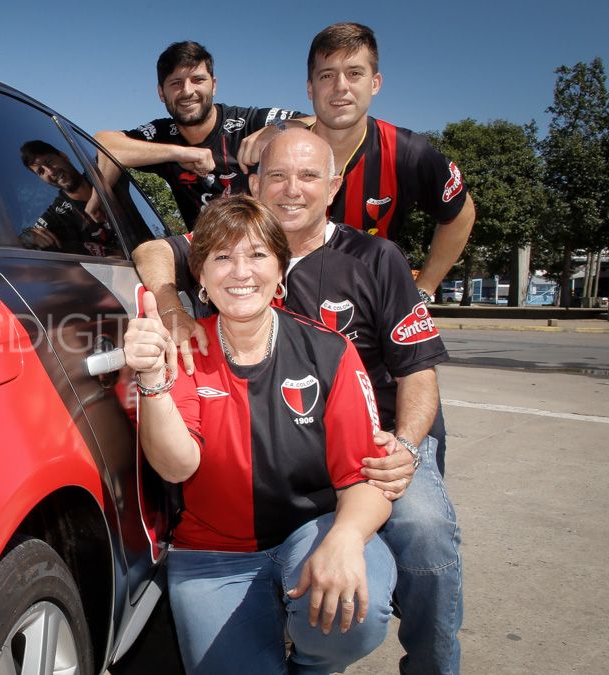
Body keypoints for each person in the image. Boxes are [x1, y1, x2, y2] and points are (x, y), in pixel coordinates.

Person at [134, 128, 463, 674]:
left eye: (308, 176)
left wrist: (402, 448)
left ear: (333, 186)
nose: (292, 189)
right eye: (278, 175)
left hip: (379, 437)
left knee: (424, 532)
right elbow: (151, 248)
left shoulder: (374, 259)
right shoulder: (228, 244)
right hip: (229, 524)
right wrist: (168, 307)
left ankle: (431, 665)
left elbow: (418, 370)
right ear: (255, 183)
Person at [124, 196, 395, 673]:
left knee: (356, 616)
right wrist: (152, 380)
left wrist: (345, 538)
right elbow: (175, 465)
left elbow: (366, 477)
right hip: (211, 551)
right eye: (222, 257)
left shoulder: (329, 351)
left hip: (309, 532)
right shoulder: (184, 348)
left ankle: (311, 666)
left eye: (257, 255)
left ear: (281, 272)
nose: (240, 271)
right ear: (201, 279)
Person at [306, 22, 475, 304]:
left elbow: (461, 213)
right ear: (310, 88)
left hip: (371, 315)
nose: (340, 87)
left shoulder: (407, 151)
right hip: (288, 314)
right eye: (326, 75)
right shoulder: (281, 149)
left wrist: (423, 289)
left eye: (355, 73)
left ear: (375, 83)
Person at [94, 41, 304, 228]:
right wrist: (181, 153)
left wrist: (279, 128)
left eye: (197, 80)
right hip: (206, 255)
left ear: (214, 85)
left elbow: (314, 120)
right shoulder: (163, 133)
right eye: (176, 83)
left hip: (265, 243)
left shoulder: (247, 121)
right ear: (161, 92)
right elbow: (105, 142)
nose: (187, 91)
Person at [18, 140, 120, 256]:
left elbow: (112, 147)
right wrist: (27, 236)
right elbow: (20, 242)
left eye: (49, 161)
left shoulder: (103, 174)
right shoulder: (57, 214)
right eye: (41, 171)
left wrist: (96, 198)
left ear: (64, 156)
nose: (50, 171)